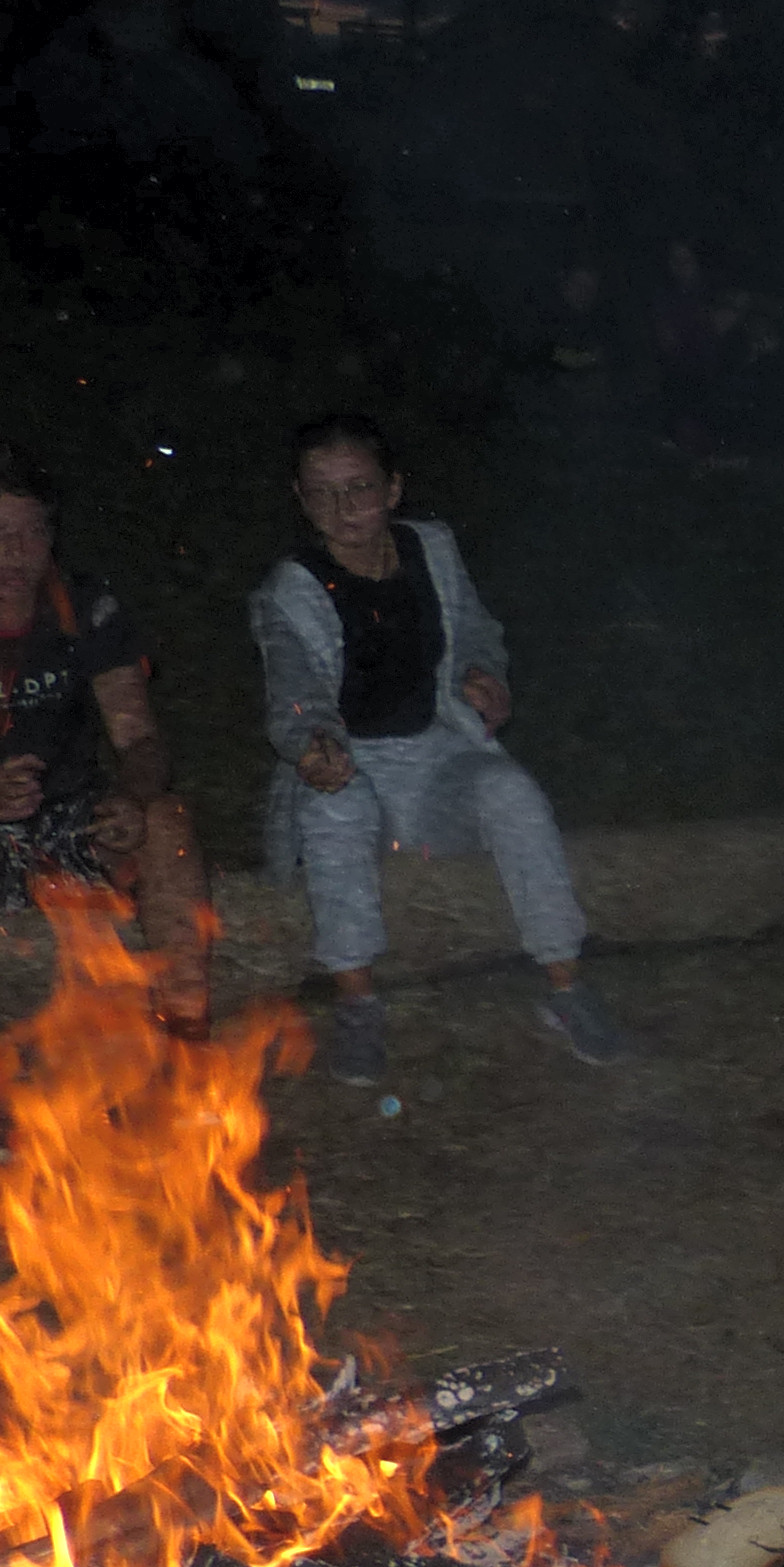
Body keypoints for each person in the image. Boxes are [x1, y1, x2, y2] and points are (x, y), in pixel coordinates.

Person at [248, 415, 619, 1082]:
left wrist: (484, 675)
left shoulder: (434, 550)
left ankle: (566, 983)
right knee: (334, 808)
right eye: (322, 493)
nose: (343, 508)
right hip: (355, 763)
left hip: (437, 752)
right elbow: (293, 692)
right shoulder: (291, 589)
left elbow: (477, 631)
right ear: (300, 498)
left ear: (393, 489)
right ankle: (358, 1005)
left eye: (359, 488)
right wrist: (313, 744)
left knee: (511, 792)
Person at [0, 441, 210, 1029]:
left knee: (166, 821)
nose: (17, 551)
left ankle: (185, 1025)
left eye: (32, 530)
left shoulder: (84, 607)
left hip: (71, 819)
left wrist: (132, 795)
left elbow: (140, 741)